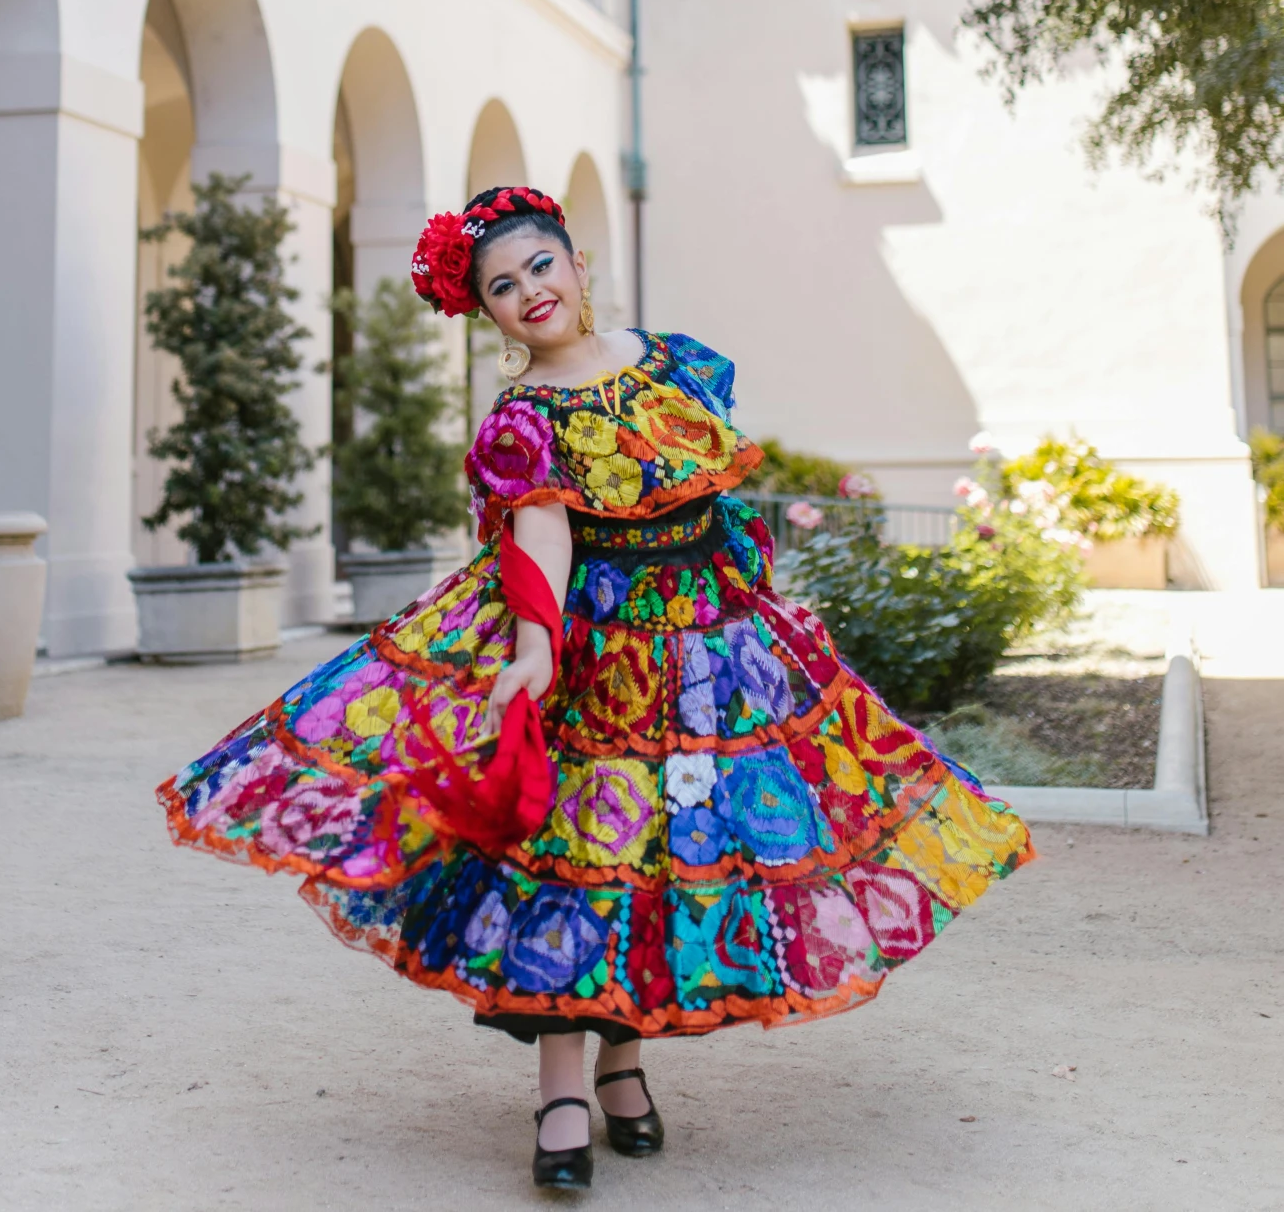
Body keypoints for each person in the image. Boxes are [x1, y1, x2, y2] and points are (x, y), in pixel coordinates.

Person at [159, 185, 1033, 1192]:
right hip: (596, 649)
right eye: (500, 284)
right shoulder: (523, 416)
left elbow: (714, 500)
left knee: (661, 853)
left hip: (707, 645)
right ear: (483, 313)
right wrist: (536, 648)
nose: (526, 290)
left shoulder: (672, 363)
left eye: (539, 265)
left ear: (577, 266)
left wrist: (759, 605)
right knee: (578, 853)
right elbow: (542, 532)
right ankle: (562, 1089)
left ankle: (624, 1064)